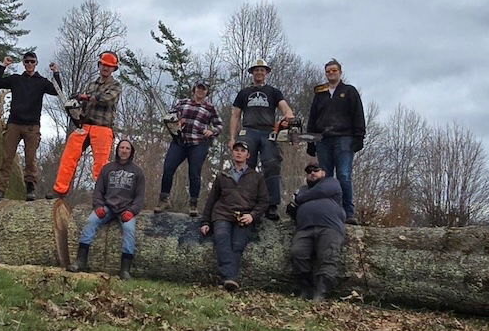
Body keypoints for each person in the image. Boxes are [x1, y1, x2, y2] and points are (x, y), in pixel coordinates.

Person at [48, 51, 122, 198]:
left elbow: (107, 99)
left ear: (114, 68)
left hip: (103, 128)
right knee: (69, 156)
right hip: (85, 125)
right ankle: (60, 190)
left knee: (101, 165)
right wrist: (74, 108)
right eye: (103, 65)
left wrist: (85, 97)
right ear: (99, 65)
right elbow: (85, 106)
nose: (106, 68)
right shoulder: (91, 84)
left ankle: (103, 196)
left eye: (109, 66)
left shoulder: (116, 85)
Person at [0, 52, 62, 202]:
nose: (29, 64)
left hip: (32, 126)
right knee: (7, 157)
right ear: (23, 63)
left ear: (36, 63)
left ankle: (30, 188)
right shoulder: (16, 79)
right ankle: (0, 189)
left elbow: (57, 91)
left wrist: (56, 73)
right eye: (27, 61)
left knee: (30, 159)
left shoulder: (41, 82)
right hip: (14, 124)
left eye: (32, 62)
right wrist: (3, 66)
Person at [229, 59, 295, 221]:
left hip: (268, 132)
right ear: (252, 73)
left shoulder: (274, 92)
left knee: (272, 165)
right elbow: (235, 115)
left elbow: (284, 107)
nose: (259, 72)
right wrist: (232, 138)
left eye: (262, 70)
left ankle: (271, 205)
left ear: (267, 73)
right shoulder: (244, 92)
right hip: (248, 130)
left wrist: (289, 115)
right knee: (245, 165)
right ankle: (245, 203)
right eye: (256, 70)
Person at [199, 140, 268, 292]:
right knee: (222, 238)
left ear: (248, 155)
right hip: (222, 214)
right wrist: (205, 222)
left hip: (244, 216)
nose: (238, 152)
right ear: (232, 153)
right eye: (236, 150)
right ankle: (230, 278)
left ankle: (226, 279)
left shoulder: (257, 177)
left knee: (237, 245)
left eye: (242, 150)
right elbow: (211, 200)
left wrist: (252, 216)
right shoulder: (223, 175)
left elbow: (264, 202)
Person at [71, 139, 145, 280]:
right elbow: (98, 190)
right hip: (108, 207)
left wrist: (132, 211)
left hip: (126, 210)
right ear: (117, 150)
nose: (124, 150)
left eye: (127, 148)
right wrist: (98, 206)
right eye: (121, 147)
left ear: (131, 152)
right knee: (91, 221)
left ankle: (125, 270)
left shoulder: (138, 172)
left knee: (129, 230)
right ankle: (80, 262)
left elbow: (140, 197)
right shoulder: (107, 169)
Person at [306, 58, 365, 224]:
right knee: (324, 176)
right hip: (323, 139)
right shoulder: (320, 94)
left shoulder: (349, 91)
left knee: (344, 175)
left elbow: (358, 115)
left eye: (334, 70)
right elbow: (313, 117)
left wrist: (359, 137)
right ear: (325, 73)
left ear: (340, 72)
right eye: (328, 71)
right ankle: (327, 211)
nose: (331, 73)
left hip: (344, 138)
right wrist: (311, 141)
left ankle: (348, 212)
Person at [155, 80, 223, 217]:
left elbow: (219, 125)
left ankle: (193, 204)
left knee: (194, 173)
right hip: (180, 141)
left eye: (203, 89)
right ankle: (164, 199)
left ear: (206, 92)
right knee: (168, 168)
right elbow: (169, 116)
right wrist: (176, 121)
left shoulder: (210, 108)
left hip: (199, 143)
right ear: (194, 90)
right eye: (198, 88)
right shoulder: (182, 102)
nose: (200, 91)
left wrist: (212, 131)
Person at [286, 163, 345, 302]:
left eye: (316, 170)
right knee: (297, 252)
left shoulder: (331, 183)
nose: (312, 173)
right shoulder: (303, 189)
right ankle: (306, 289)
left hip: (329, 227)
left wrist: (299, 198)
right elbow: (294, 208)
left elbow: (319, 192)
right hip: (304, 228)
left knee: (328, 257)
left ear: (323, 173)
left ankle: (321, 292)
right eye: (309, 171)